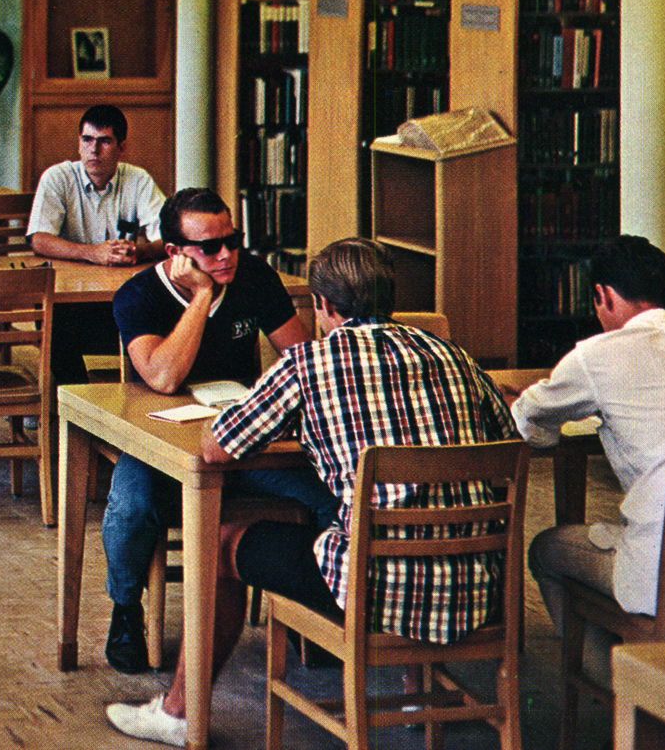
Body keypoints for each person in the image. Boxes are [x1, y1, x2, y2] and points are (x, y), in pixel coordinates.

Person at [107, 237, 518, 746]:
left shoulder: (310, 365)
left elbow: (216, 447)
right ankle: (416, 693)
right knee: (401, 514)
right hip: (480, 584)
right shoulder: (456, 357)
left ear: (322, 307)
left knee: (221, 542)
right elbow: (510, 439)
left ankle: (178, 713)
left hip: (374, 588)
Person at [100, 187, 329, 675]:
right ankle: (125, 610)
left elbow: (306, 361)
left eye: (232, 240)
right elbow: (162, 377)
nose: (226, 255)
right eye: (209, 247)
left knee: (327, 493)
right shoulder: (138, 295)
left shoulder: (254, 278)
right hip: (163, 440)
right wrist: (202, 297)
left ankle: (322, 613)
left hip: (241, 440)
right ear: (175, 254)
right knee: (130, 504)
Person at [509, 235, 665, 635]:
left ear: (602, 295)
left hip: (660, 570)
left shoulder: (596, 355)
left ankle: (615, 688)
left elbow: (527, 424)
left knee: (546, 551)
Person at [26, 104, 166, 385]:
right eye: (87, 140)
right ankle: (73, 401)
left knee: (158, 312)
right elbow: (38, 239)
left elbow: (169, 239)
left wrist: (140, 251)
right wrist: (93, 253)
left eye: (104, 141)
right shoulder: (58, 177)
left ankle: (140, 397)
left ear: (121, 148)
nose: (94, 150)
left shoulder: (138, 180)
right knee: (54, 322)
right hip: (69, 299)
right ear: (78, 143)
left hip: (120, 293)